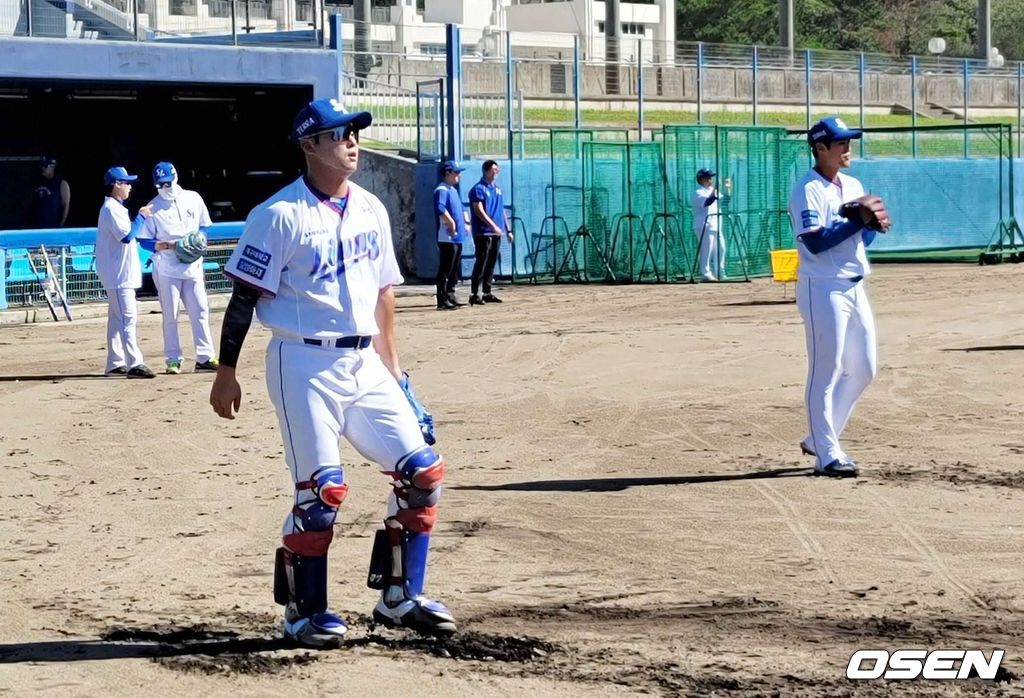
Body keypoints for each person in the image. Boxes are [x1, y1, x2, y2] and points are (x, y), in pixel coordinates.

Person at [209, 98, 456, 647]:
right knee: (321, 493)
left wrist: (399, 377)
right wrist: (226, 371)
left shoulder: (370, 206)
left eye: (353, 131)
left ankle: (399, 598)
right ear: (308, 145)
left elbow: (384, 297)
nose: (351, 140)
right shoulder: (276, 215)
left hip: (365, 360)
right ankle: (303, 612)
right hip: (303, 362)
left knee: (423, 473)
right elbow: (244, 297)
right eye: (337, 133)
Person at [788, 116, 890, 478]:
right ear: (819, 148)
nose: (848, 148)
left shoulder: (853, 184)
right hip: (822, 286)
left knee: (864, 368)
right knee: (825, 371)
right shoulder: (807, 188)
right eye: (840, 142)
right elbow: (814, 242)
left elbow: (860, 239)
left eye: (849, 141)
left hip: (854, 284)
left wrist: (871, 225)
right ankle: (827, 453)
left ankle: (819, 438)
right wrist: (856, 221)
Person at [136, 161, 219, 374]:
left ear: (175, 178)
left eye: (167, 183)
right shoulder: (153, 206)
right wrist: (166, 245)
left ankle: (205, 356)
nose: (165, 188)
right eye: (160, 185)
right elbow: (144, 240)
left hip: (192, 264)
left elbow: (204, 226)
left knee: (200, 310)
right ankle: (173, 358)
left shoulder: (193, 198)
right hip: (166, 267)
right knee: (171, 315)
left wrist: (198, 240)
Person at [95, 166, 156, 379]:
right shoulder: (111, 208)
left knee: (116, 319)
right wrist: (141, 217)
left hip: (118, 273)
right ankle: (135, 362)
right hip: (118, 276)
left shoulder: (115, 208)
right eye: (126, 183)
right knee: (127, 318)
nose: (130, 187)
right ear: (116, 185)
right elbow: (127, 236)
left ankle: (115, 362)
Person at [468, 160, 513, 305]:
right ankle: (475, 293)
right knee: (482, 261)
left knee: (492, 262)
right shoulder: (478, 189)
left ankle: (487, 292)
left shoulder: (497, 189)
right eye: (494, 170)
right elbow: (478, 210)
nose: (496, 172)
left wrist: (508, 229)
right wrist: (492, 225)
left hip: (496, 233)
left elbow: (502, 211)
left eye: (497, 170)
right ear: (486, 171)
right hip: (483, 233)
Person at [434, 160, 467, 310]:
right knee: (446, 269)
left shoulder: (453, 190)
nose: (458, 175)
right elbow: (440, 208)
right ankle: (442, 298)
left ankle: (451, 294)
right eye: (456, 172)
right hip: (447, 237)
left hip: (457, 237)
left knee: (454, 269)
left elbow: (461, 209)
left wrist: (466, 223)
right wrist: (451, 223)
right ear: (447, 173)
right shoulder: (442, 190)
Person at [691, 167, 726, 281]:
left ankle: (719, 271)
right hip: (704, 225)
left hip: (716, 224)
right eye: (708, 178)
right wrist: (716, 189)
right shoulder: (698, 192)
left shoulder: (712, 190)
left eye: (710, 178)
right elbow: (707, 202)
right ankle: (705, 273)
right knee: (707, 249)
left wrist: (728, 188)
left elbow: (725, 200)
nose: (710, 180)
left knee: (721, 248)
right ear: (701, 179)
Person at [27, 155, 70, 229]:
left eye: (45, 166)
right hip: (36, 226)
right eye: (42, 166)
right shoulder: (37, 182)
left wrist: (61, 225)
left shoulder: (61, 183)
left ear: (52, 167)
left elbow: (66, 206)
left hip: (53, 227)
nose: (42, 168)